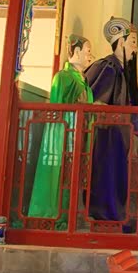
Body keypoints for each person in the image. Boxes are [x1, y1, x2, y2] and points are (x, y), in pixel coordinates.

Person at [84, 17, 138, 222]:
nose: (135, 48)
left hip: (121, 135)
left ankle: (117, 217)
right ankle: (105, 217)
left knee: (120, 178)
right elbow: (93, 101)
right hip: (107, 135)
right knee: (107, 177)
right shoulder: (106, 67)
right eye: (133, 42)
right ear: (120, 42)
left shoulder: (124, 71)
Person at [27, 35, 94, 221]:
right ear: (77, 51)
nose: (90, 56)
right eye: (88, 51)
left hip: (80, 134)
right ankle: (53, 216)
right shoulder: (62, 77)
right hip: (65, 134)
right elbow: (57, 109)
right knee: (59, 177)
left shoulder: (83, 81)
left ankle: (69, 216)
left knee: (73, 177)